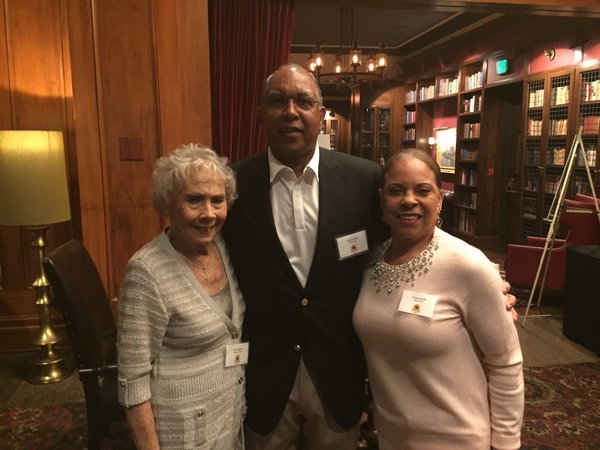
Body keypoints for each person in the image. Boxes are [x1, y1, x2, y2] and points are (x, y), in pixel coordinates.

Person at [223, 63, 517, 450]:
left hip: (337, 372)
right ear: (261, 114)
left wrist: (482, 289)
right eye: (277, 101)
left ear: (321, 114)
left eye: (303, 102)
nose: (290, 111)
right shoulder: (231, 186)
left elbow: (407, 241)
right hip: (265, 372)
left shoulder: (365, 180)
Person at [353, 148, 524, 450]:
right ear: (382, 199)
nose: (409, 200)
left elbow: (505, 362)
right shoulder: (371, 261)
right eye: (396, 191)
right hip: (392, 436)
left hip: (457, 438)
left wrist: (506, 443)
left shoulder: (468, 265)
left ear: (440, 199)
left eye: (423, 190)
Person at [117, 144, 246, 449]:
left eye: (218, 200)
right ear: (167, 204)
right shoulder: (146, 271)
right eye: (194, 200)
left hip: (228, 418)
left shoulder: (222, 248)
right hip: (181, 433)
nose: (209, 213)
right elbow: (132, 381)